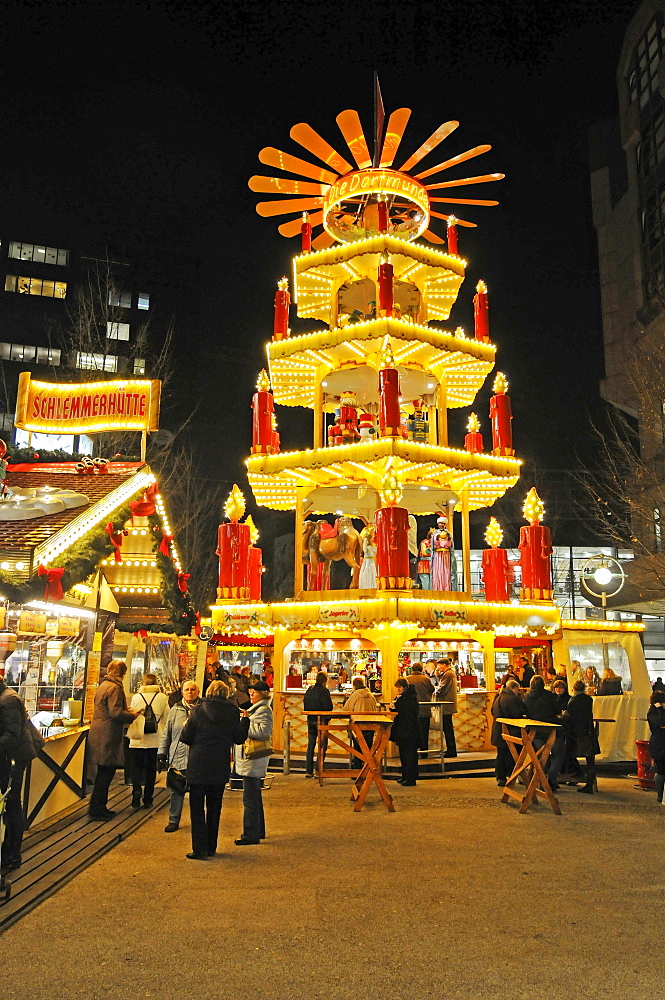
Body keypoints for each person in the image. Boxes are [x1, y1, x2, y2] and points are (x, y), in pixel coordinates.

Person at [180, 679, 246, 860]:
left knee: (196, 807)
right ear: (226, 694)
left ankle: (199, 849)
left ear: (208, 692)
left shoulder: (197, 710)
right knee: (215, 806)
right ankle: (211, 846)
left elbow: (185, 737)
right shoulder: (232, 712)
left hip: (198, 764)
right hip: (219, 764)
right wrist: (245, 722)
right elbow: (239, 738)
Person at [87, 660, 139, 820]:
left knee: (102, 772)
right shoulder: (115, 687)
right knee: (106, 773)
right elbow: (115, 713)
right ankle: (97, 810)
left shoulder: (103, 685)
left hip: (98, 731)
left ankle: (98, 807)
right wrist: (132, 715)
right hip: (108, 734)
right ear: (123, 673)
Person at [0, 677, 39, 871]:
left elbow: (11, 735)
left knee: (12, 804)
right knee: (9, 804)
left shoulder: (8, 700)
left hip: (14, 758)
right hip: (8, 758)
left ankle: (12, 854)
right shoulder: (6, 697)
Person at [158, 680, 201, 832]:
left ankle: (198, 821)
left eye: (193, 689)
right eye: (187, 689)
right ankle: (173, 819)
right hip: (178, 756)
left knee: (197, 791)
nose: (190, 692)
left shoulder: (202, 710)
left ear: (198, 692)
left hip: (197, 757)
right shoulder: (175, 710)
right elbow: (167, 733)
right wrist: (162, 752)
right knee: (177, 790)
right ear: (182, 692)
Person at [233, 680, 274, 845]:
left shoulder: (264, 710)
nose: (251, 695)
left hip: (253, 758)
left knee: (249, 798)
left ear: (262, 694)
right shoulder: (255, 709)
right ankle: (259, 830)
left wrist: (244, 725)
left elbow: (263, 732)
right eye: (250, 692)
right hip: (250, 758)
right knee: (254, 796)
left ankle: (250, 834)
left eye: (254, 692)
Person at [127, 673, 170, 809]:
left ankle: (136, 792)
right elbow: (166, 719)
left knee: (136, 768)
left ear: (143, 683)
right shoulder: (162, 698)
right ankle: (148, 798)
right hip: (155, 739)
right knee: (151, 769)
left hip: (137, 738)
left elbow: (132, 716)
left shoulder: (136, 697)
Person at [523, 675, 565, 792]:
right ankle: (550, 778)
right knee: (559, 754)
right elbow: (557, 710)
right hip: (551, 730)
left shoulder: (527, 697)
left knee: (541, 757)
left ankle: (542, 780)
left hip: (535, 731)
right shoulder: (549, 696)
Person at [564, 679, 600, 794]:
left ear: (573, 689)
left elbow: (570, 718)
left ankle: (578, 772)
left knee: (568, 754)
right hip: (589, 731)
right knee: (590, 760)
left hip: (577, 733)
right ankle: (590, 783)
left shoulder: (572, 701)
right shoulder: (588, 699)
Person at [490, 678, 524, 786]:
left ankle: (500, 777)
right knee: (511, 754)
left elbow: (492, 711)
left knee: (501, 754)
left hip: (498, 730)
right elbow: (516, 714)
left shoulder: (498, 696)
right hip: (510, 731)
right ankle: (511, 775)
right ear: (512, 688)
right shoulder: (513, 699)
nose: (518, 692)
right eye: (517, 690)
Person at [390, 677, 420, 785]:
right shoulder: (402, 697)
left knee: (410, 753)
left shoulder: (411, 697)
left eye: (399, 687)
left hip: (409, 728)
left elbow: (406, 711)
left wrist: (397, 703)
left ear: (404, 687)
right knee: (403, 752)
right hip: (403, 728)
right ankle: (404, 775)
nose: (398, 689)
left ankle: (410, 778)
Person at [303, 671, 333, 777]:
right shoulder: (324, 691)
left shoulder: (309, 690)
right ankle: (318, 770)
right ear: (325, 680)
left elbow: (305, 704)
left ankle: (308, 770)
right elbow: (328, 707)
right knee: (322, 745)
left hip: (310, 720)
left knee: (311, 745)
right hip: (321, 721)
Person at [344, 675, 378, 756]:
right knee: (368, 748)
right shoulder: (371, 695)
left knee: (357, 748)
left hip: (357, 725)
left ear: (354, 686)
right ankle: (367, 765)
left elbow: (346, 709)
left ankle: (357, 766)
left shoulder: (355, 695)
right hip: (370, 725)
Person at [406, 662, 435, 752]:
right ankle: (424, 752)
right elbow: (432, 690)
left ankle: (412, 752)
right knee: (424, 732)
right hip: (424, 709)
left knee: (411, 732)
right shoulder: (425, 679)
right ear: (422, 669)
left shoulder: (406, 679)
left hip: (410, 710)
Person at [434, 658, 458, 757]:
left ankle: (451, 750)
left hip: (446, 703)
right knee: (448, 727)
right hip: (449, 703)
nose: (438, 667)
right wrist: (438, 675)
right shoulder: (450, 673)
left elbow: (442, 688)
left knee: (447, 728)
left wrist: (435, 693)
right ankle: (451, 749)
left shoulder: (448, 674)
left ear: (445, 665)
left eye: (439, 665)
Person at [648, 690, 665, 803]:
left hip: (659, 742)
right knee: (661, 770)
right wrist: (660, 709)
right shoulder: (652, 713)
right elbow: (661, 723)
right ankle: (660, 795)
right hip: (659, 744)